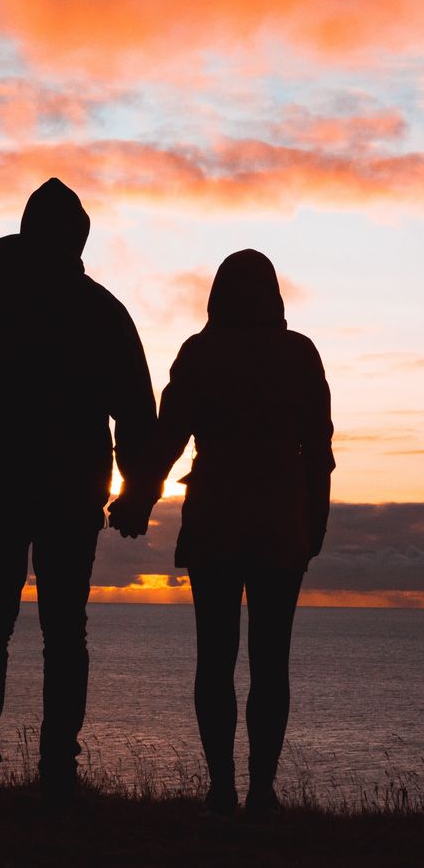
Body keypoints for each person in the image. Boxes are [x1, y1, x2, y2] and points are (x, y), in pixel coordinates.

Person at [0, 178, 160, 805]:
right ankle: (48, 768)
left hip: (11, 487)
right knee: (58, 631)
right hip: (59, 490)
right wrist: (136, 490)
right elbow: (136, 412)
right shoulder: (99, 310)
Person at [153, 250, 335, 820]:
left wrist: (137, 498)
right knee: (270, 661)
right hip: (282, 523)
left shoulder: (200, 352)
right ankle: (259, 793)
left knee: (215, 659)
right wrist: (315, 527)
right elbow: (320, 455)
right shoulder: (300, 354)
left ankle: (224, 790)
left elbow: (167, 439)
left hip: (216, 521)